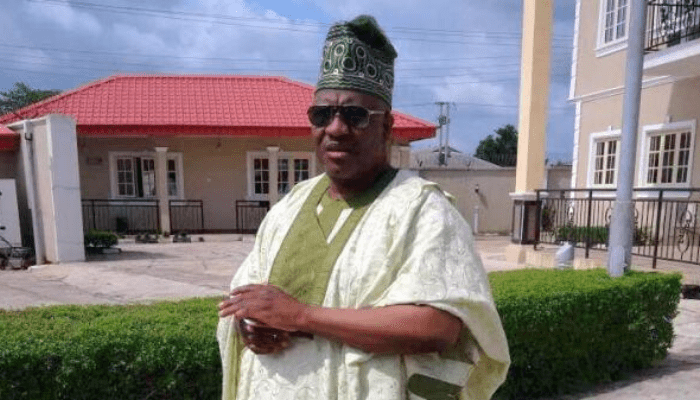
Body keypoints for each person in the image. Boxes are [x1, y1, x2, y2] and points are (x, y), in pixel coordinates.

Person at [217, 15, 510, 400]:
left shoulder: (422, 210)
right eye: (322, 115)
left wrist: (301, 316)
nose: (336, 128)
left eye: (355, 115)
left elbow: (438, 327)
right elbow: (249, 297)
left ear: (386, 127)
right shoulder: (290, 206)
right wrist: (249, 323)